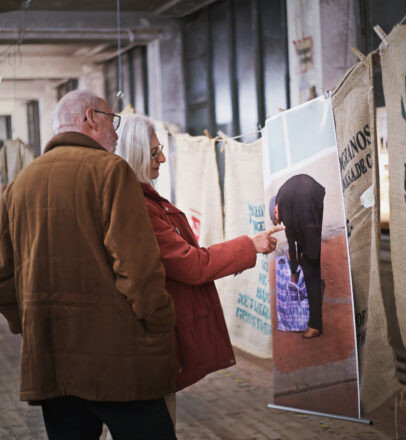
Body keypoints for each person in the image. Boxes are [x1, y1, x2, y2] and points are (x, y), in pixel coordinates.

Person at [0, 90, 176, 440]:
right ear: (91, 118)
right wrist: (160, 325)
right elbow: (138, 269)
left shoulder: (19, 185)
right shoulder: (111, 171)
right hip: (117, 358)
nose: (115, 131)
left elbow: (4, 273)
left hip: (50, 357)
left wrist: (28, 322)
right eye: (113, 120)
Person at [115, 113, 282, 424]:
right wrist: (250, 245)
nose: (163, 158)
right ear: (133, 153)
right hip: (146, 345)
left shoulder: (143, 200)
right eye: (153, 153)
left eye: (160, 148)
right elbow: (191, 264)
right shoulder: (141, 207)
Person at [271, 174, 325, 339]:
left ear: (275, 210)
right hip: (316, 192)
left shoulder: (286, 205)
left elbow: (291, 243)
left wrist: (294, 271)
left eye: (278, 220)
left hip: (308, 201)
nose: (281, 223)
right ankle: (317, 284)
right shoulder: (285, 196)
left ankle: (315, 325)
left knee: (310, 265)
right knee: (309, 244)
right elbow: (296, 235)